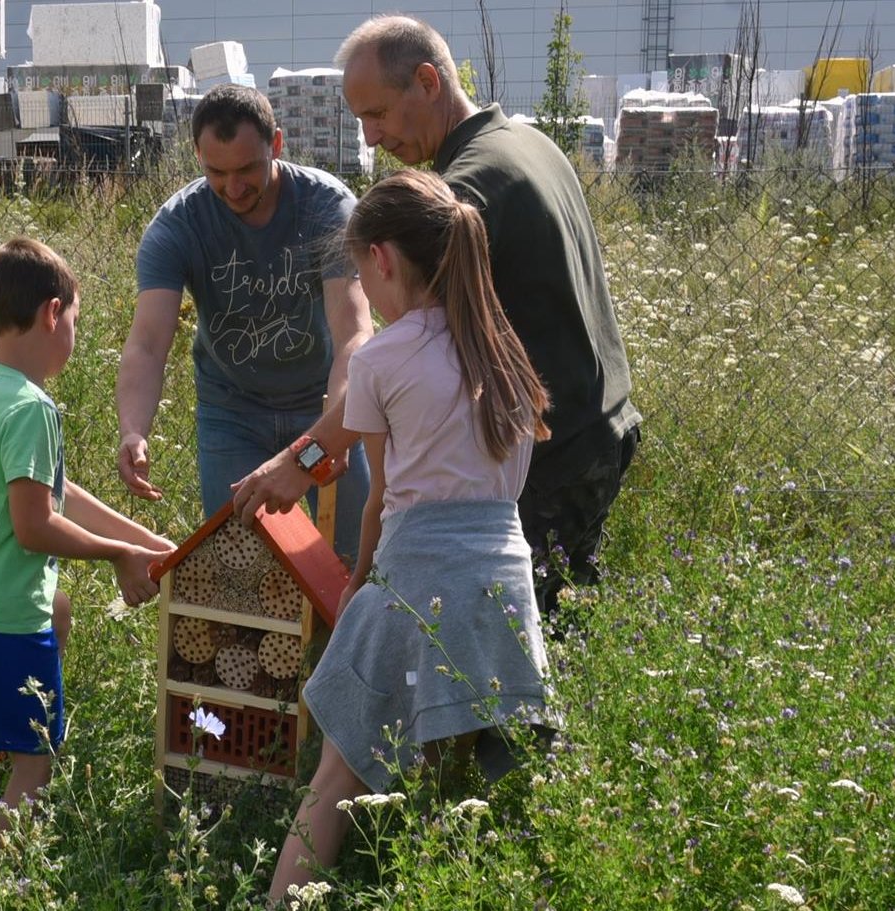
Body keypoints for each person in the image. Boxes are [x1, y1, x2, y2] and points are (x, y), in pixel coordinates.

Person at [234, 16, 641, 617]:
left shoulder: (467, 190)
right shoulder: (525, 143)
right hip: (598, 426)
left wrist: (304, 461)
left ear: (427, 82)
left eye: (377, 114)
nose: (370, 138)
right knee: (554, 633)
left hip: (553, 449)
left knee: (498, 649)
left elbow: (405, 357)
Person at [270, 169, 556, 899]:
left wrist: (361, 578)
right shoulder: (507, 352)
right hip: (503, 585)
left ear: (384, 260)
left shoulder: (381, 359)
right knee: (465, 785)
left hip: (416, 578)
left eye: (362, 271)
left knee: (337, 774)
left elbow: (378, 497)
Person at [0, 237, 175, 826]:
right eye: (76, 323)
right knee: (40, 755)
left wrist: (144, 541)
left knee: (57, 607)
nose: (74, 339)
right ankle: (9, 867)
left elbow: (57, 492)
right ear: (52, 314)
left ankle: (2, 736)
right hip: (0, 610)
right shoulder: (34, 408)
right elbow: (34, 527)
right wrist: (119, 555)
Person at [117, 83, 373, 563]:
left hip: (321, 408)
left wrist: (323, 442)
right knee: (239, 570)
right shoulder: (178, 226)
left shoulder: (326, 208)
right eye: (216, 172)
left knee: (350, 565)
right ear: (196, 155)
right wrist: (133, 429)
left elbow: (355, 335)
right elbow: (148, 344)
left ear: (276, 145)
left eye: (247, 170)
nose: (233, 189)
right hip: (231, 416)